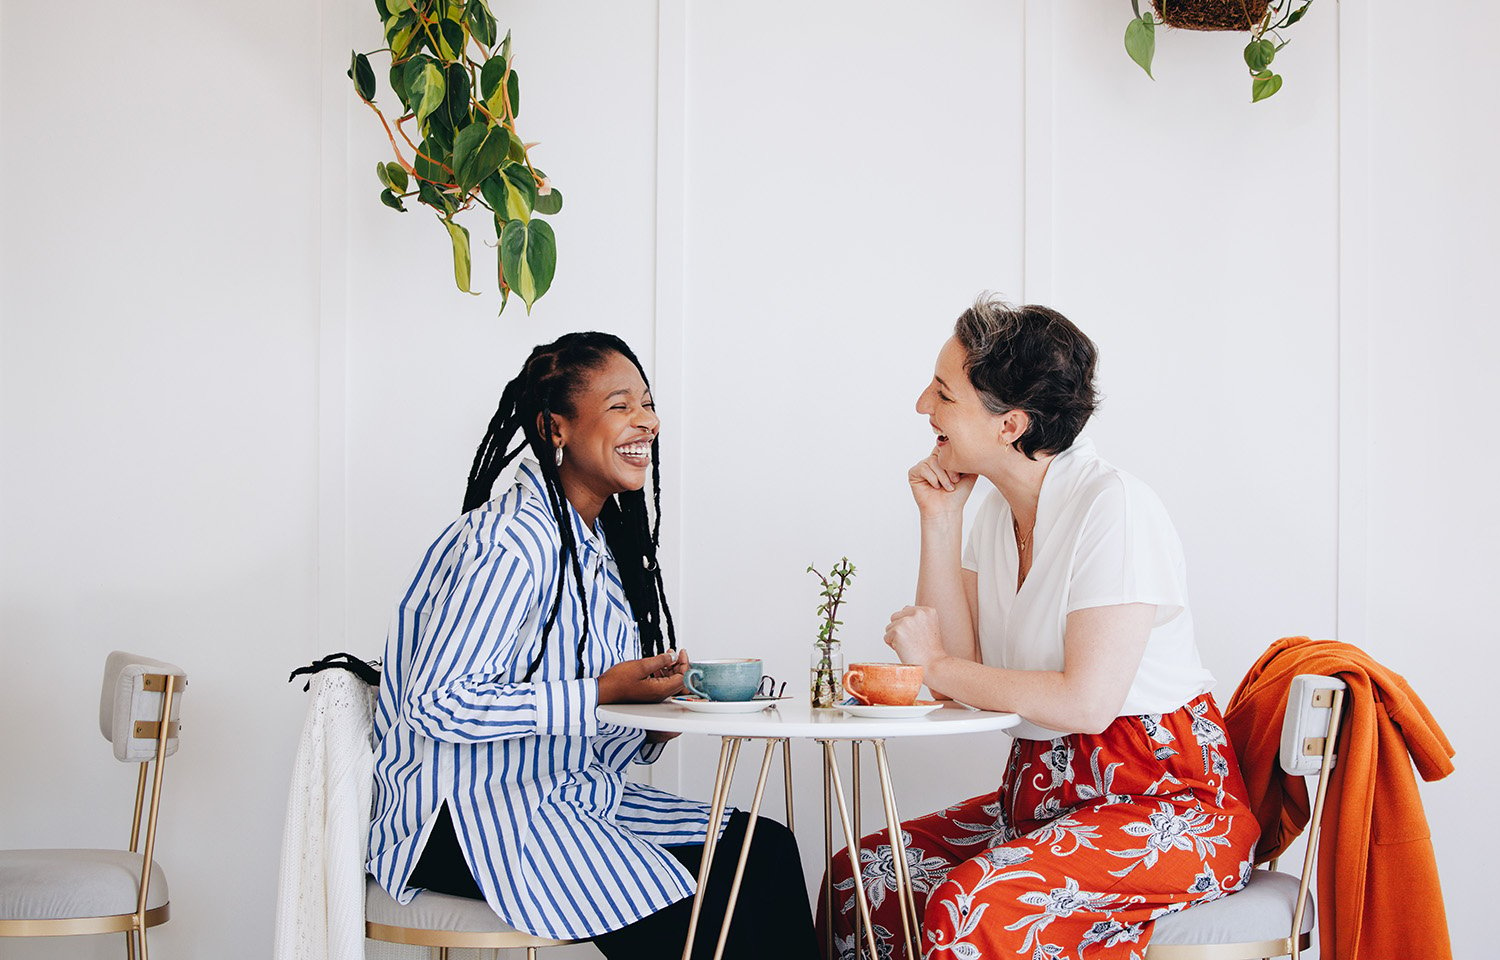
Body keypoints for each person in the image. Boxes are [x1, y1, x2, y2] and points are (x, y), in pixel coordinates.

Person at [822, 298, 1259, 960]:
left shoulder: (1115, 508)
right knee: (866, 876)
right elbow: (959, 681)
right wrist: (940, 520)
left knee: (971, 908)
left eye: (943, 393)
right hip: (1044, 802)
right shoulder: (1000, 515)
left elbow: (1085, 701)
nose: (922, 406)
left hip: (1166, 805)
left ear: (1011, 424)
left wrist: (935, 664)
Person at [367, 332, 818, 960]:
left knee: (762, 850)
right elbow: (437, 705)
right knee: (707, 904)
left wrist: (655, 718)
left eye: (648, 403)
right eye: (620, 406)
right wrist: (602, 692)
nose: (647, 421)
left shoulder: (596, 548)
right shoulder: (509, 545)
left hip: (558, 796)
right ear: (557, 428)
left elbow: (579, 723)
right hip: (459, 819)